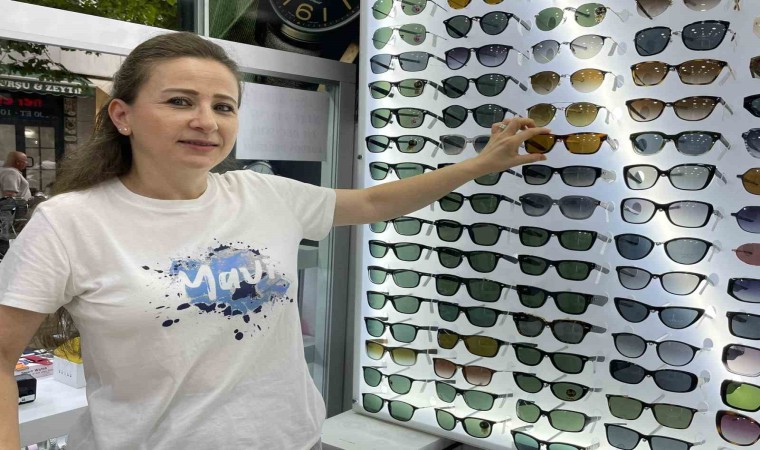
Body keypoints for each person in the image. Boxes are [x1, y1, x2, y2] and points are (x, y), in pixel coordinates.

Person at [0, 32, 548, 450]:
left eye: (223, 106)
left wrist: (479, 165)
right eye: (180, 101)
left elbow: (375, 202)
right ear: (123, 115)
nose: (206, 121)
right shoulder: (71, 222)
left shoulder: (263, 193)